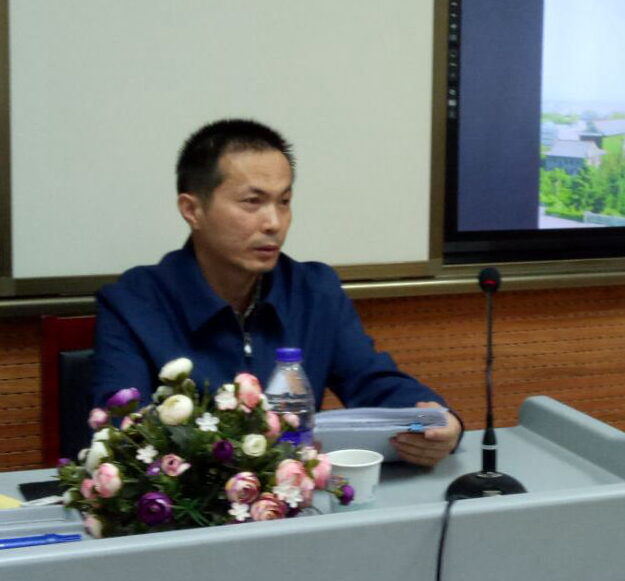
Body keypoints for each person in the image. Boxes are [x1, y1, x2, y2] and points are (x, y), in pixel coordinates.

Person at [92, 118, 462, 467]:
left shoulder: (314, 291)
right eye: (252, 202)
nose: (274, 223)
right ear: (193, 210)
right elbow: (123, 438)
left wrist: (440, 423)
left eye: (283, 202)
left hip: (298, 501)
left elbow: (373, 383)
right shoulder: (133, 304)